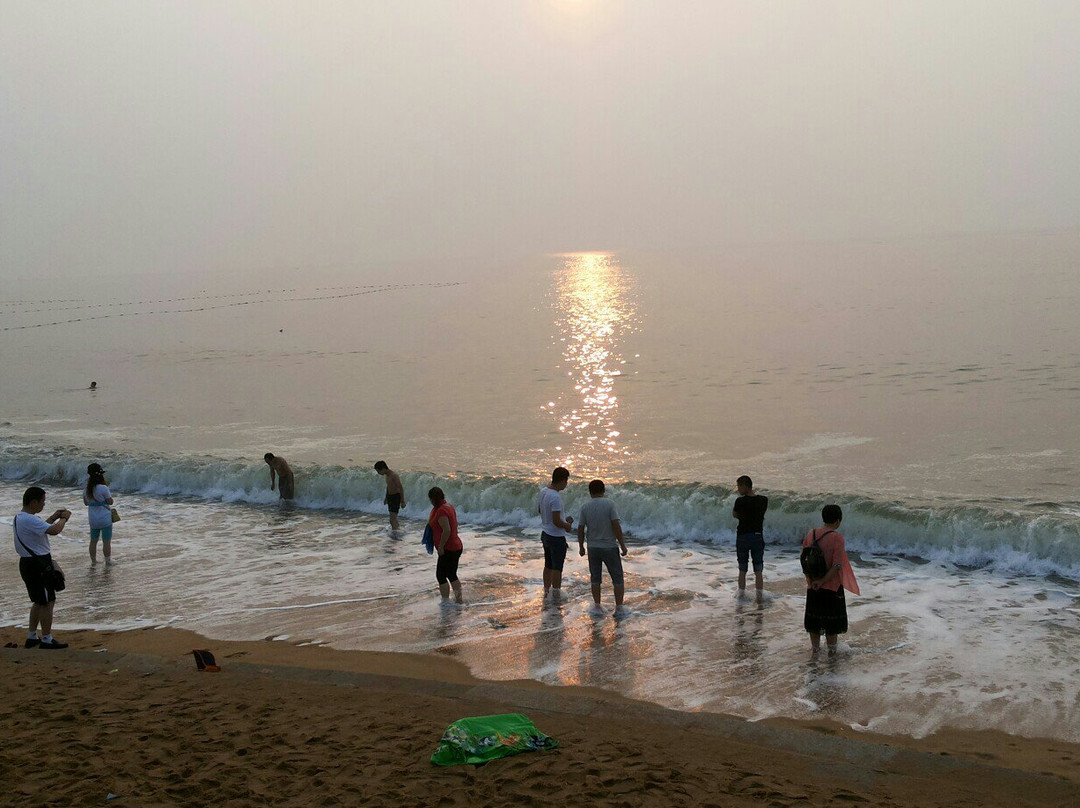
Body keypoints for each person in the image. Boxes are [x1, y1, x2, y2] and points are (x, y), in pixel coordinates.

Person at [13, 486, 71, 649]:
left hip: (28, 563)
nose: (43, 505)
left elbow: (40, 529)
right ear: (33, 503)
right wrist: (64, 519)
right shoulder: (30, 519)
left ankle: (32, 636)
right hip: (38, 564)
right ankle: (46, 638)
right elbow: (54, 531)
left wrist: (53, 517)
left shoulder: (20, 517)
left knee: (39, 601)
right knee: (48, 602)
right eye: (42, 501)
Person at [802, 504, 860, 656]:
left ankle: (815, 652)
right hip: (832, 588)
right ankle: (832, 656)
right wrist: (822, 582)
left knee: (814, 623)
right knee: (831, 625)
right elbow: (837, 565)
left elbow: (804, 560)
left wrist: (811, 580)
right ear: (837, 521)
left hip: (813, 586)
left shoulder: (811, 534)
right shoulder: (837, 538)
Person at [577, 479, 628, 613]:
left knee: (595, 578)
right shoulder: (610, 504)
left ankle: (597, 606)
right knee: (617, 578)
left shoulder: (585, 507)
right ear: (603, 490)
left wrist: (581, 546)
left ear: (590, 492)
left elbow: (580, 528)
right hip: (609, 546)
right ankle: (619, 608)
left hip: (592, 547)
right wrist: (622, 545)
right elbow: (616, 525)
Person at [538, 467, 574, 599]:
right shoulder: (556, 497)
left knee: (548, 564)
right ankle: (556, 593)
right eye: (566, 481)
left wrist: (562, 520)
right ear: (563, 480)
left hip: (545, 533)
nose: (566, 484)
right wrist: (567, 525)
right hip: (556, 536)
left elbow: (540, 510)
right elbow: (556, 521)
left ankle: (547, 591)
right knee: (557, 568)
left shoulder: (544, 492)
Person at [732, 475, 768, 600]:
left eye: (739, 486)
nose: (738, 489)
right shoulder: (763, 500)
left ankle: (741, 595)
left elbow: (734, 514)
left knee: (742, 568)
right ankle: (759, 596)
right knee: (758, 569)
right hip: (757, 536)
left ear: (745, 486)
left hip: (743, 536)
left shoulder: (740, 501)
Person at [427, 487, 463, 603]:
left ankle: (446, 601)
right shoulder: (449, 506)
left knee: (441, 575)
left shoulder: (441, 511)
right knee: (451, 574)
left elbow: (446, 530)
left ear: (433, 499)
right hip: (455, 546)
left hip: (449, 548)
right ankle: (458, 600)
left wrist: (441, 546)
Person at [83, 462, 116, 565]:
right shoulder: (103, 488)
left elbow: (85, 503)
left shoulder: (87, 489)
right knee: (106, 541)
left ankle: (93, 561)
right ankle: (108, 561)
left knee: (93, 541)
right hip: (105, 518)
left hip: (93, 519)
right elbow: (110, 501)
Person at [374, 461, 406, 531]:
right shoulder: (387, 476)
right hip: (390, 497)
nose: (378, 473)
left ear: (383, 469)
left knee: (392, 519)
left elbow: (400, 487)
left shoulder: (394, 475)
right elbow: (388, 487)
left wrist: (402, 501)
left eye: (378, 471)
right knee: (393, 519)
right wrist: (386, 497)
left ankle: (395, 533)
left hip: (396, 497)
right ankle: (397, 530)